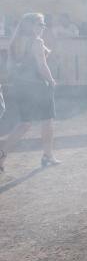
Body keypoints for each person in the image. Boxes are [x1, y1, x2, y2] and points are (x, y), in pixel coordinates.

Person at [0, 13, 60, 173]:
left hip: (21, 87)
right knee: (47, 121)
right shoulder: (37, 42)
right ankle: (48, 155)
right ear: (32, 25)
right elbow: (42, 65)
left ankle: (2, 155)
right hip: (38, 86)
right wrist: (52, 80)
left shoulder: (15, 41)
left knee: (24, 124)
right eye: (41, 24)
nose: (43, 27)